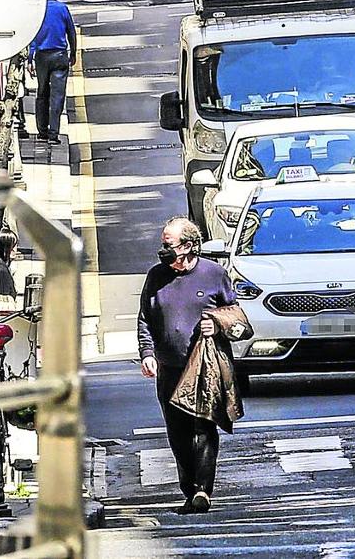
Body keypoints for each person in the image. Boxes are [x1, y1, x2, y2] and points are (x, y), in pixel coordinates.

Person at [138, 216, 239, 515]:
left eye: (169, 245)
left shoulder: (214, 274)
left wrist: (218, 325)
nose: (163, 250)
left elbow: (234, 313)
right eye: (162, 244)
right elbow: (145, 317)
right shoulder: (156, 276)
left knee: (204, 427)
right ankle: (189, 486)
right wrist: (147, 353)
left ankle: (202, 490)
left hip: (205, 366)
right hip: (169, 367)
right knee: (178, 432)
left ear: (189, 246)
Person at [26, 0, 76, 145]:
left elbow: (33, 35)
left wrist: (30, 58)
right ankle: (53, 134)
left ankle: (42, 131)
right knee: (57, 96)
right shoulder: (62, 9)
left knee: (42, 93)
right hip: (60, 55)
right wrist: (73, 53)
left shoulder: (37, 10)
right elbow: (71, 32)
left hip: (41, 56)